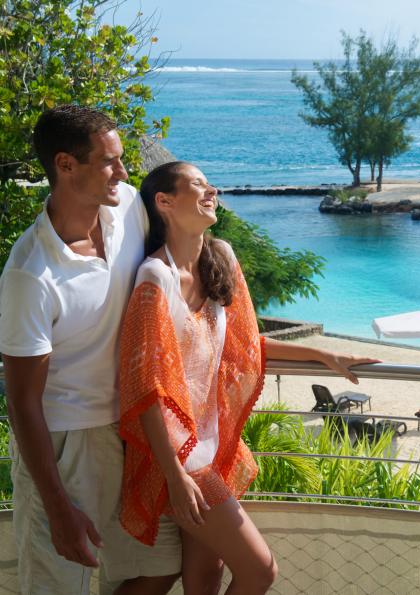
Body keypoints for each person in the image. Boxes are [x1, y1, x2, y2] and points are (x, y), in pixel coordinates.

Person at [118, 160, 378, 594]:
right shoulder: (155, 279)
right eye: (198, 185)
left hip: (213, 445)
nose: (212, 191)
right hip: (180, 459)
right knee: (260, 570)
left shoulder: (219, 257)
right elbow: (146, 387)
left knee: (206, 575)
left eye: (210, 185)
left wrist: (321, 353)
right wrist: (175, 476)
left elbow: (244, 344)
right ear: (164, 201)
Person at [0, 106, 180, 593]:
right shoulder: (30, 274)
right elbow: (22, 402)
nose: (123, 171)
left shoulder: (128, 208)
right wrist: (58, 508)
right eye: (109, 161)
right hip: (67, 445)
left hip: (134, 427)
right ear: (65, 165)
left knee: (158, 565)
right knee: (61, 585)